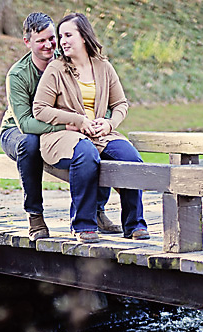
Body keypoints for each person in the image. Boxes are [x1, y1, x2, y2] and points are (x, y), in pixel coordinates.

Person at [31, 12, 150, 243]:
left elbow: (120, 104)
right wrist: (78, 120)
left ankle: (134, 224)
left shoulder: (103, 67)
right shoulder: (56, 69)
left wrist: (109, 123)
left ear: (83, 37)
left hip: (101, 134)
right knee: (86, 156)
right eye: (60, 36)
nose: (62, 41)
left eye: (68, 35)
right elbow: (40, 109)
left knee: (131, 158)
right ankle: (83, 224)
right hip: (65, 135)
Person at [0, 12, 117, 240]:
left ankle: (97, 210)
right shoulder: (18, 74)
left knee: (94, 144)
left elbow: (96, 94)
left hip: (65, 128)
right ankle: (35, 215)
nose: (49, 45)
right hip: (18, 130)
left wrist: (103, 120)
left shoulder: (68, 61)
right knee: (30, 144)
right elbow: (26, 123)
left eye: (51, 38)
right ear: (27, 42)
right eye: (40, 40)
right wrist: (65, 128)